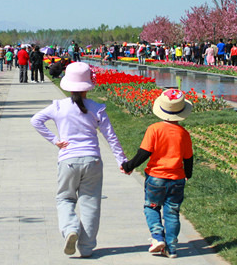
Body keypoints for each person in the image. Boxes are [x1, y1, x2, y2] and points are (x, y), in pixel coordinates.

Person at [31, 62, 128, 258]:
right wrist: (121, 160)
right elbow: (111, 137)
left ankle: (70, 228)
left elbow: (36, 120)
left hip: (68, 160)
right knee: (90, 202)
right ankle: (86, 247)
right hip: (93, 160)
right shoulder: (97, 108)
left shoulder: (59, 106)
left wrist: (55, 141)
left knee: (65, 198)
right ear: (88, 85)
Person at [121, 89, 193, 259]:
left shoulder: (154, 129)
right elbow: (188, 158)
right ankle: (172, 248)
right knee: (172, 212)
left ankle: (157, 237)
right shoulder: (184, 134)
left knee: (152, 207)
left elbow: (144, 153)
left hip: (156, 177)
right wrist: (188, 173)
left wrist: (128, 166)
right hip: (177, 179)